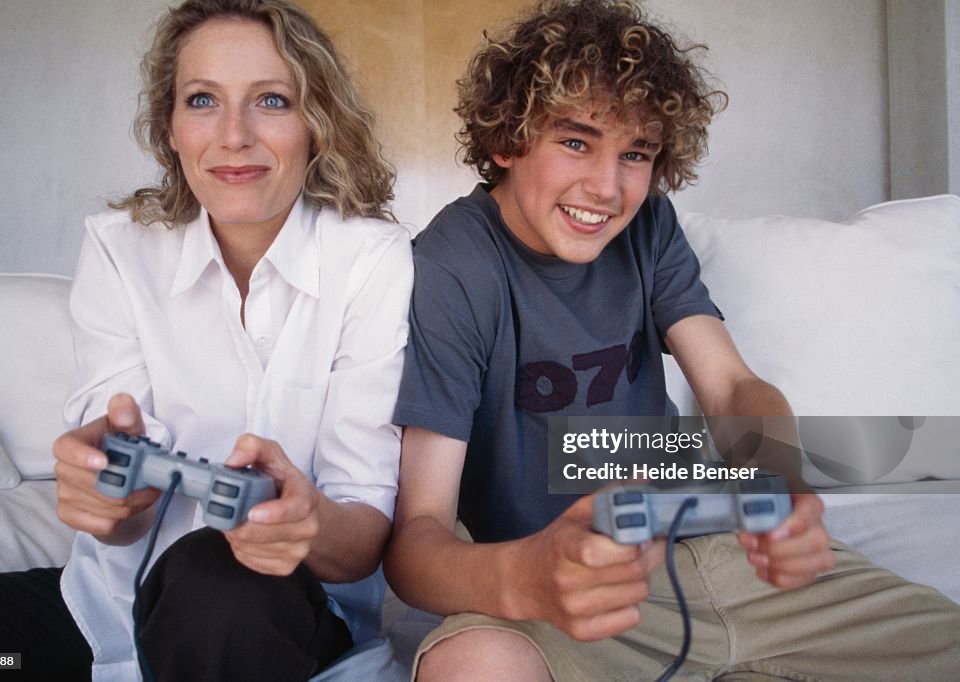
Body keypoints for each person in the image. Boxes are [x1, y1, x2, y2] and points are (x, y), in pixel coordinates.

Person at [385, 1, 960, 680]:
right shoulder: (455, 263)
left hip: (731, 558)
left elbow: (730, 385)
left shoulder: (649, 225)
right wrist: (525, 577)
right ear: (508, 139)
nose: (606, 188)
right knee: (474, 665)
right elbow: (416, 542)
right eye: (576, 141)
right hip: (574, 591)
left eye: (636, 154)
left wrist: (778, 480)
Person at [0, 1, 412, 680]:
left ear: (316, 123)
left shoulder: (373, 260)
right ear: (171, 127)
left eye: (271, 100)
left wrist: (306, 521)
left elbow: (359, 542)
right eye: (202, 101)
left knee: (213, 575)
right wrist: (107, 495)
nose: (234, 135)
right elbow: (120, 507)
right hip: (109, 614)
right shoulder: (119, 247)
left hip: (279, 618)